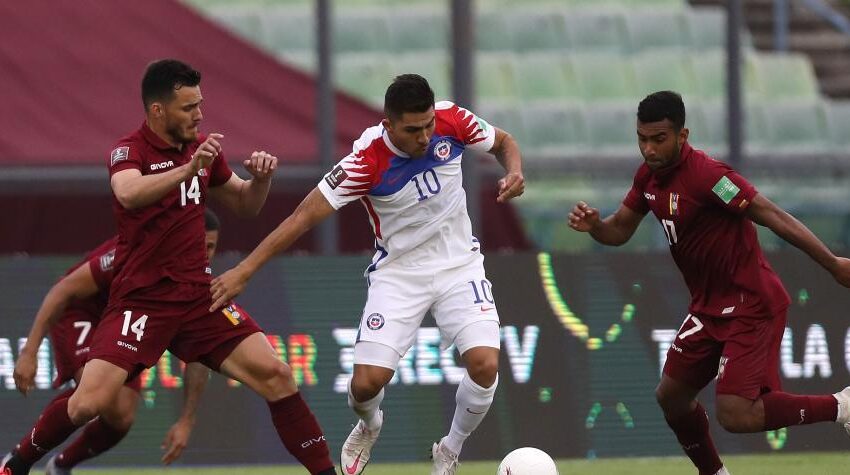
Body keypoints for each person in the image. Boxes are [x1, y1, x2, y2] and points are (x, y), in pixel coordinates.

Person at [1, 59, 336, 475]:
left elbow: (245, 204)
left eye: (199, 104)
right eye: (188, 107)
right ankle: (16, 464)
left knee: (277, 374)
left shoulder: (201, 152)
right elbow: (128, 193)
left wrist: (261, 180)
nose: (199, 114)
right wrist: (188, 170)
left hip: (198, 297)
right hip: (143, 299)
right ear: (158, 111)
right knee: (91, 403)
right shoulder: (130, 151)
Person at [209, 73, 525, 475]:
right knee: (364, 386)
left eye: (428, 125)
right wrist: (244, 270)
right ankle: (369, 423)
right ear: (388, 124)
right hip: (399, 275)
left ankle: (449, 450)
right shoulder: (365, 161)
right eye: (413, 130)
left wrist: (514, 170)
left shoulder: (452, 119)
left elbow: (504, 142)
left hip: (459, 265)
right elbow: (302, 217)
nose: (425, 137)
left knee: (484, 364)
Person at [567, 90, 850, 475]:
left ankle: (842, 407)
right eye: (641, 138)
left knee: (735, 414)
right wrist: (596, 226)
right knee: (671, 397)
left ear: (683, 136)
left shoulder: (709, 177)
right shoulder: (648, 177)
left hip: (752, 303)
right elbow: (619, 231)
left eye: (658, 139)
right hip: (707, 308)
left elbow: (770, 214)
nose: (648, 149)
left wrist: (832, 263)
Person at [4, 209, 223, 474]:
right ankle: (16, 461)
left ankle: (60, 466)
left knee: (121, 416)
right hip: (84, 312)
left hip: (124, 323)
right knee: (93, 393)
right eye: (199, 245)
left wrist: (187, 420)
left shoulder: (197, 287)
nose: (205, 255)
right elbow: (64, 289)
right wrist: (30, 351)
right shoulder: (134, 252)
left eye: (211, 247)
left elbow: (200, 355)